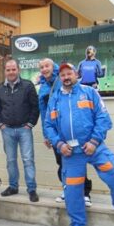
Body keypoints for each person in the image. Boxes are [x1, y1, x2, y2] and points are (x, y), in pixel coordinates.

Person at [44, 63, 114, 226]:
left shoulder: (90, 93)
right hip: (70, 153)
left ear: (76, 74)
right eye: (63, 75)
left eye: (69, 73)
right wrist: (59, 145)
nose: (66, 77)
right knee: (72, 189)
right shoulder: (55, 99)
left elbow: (103, 118)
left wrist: (94, 141)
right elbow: (48, 126)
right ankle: (78, 225)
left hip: (93, 147)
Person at [38, 58, 93, 207]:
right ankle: (67, 189)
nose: (44, 69)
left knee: (77, 161)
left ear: (53, 66)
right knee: (61, 162)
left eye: (47, 65)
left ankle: (84, 193)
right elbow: (45, 113)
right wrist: (46, 134)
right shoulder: (42, 87)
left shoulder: (62, 79)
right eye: (42, 67)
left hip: (71, 130)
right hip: (56, 133)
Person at [0, 59, 40, 202]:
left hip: (24, 129)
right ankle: (13, 186)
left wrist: (30, 124)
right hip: (7, 130)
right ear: (5, 71)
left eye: (13, 69)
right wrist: (0, 124)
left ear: (18, 70)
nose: (11, 72)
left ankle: (31, 189)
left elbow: (35, 106)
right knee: (11, 160)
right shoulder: (0, 88)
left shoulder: (28, 85)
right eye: (8, 70)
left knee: (28, 160)